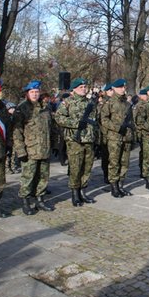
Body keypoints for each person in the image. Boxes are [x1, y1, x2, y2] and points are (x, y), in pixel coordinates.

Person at [13, 80, 55, 215]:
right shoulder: (22, 108)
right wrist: (20, 150)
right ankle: (25, 202)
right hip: (30, 150)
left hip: (44, 149)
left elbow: (51, 128)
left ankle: (40, 200)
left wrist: (53, 144)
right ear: (27, 93)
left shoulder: (46, 108)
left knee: (43, 177)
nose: (35, 94)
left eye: (37, 92)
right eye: (32, 92)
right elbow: (17, 132)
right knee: (28, 178)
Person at [55, 78, 99, 207]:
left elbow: (95, 120)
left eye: (85, 86)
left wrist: (96, 136)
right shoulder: (67, 102)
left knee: (87, 167)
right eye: (81, 87)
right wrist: (75, 124)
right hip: (75, 140)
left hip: (89, 139)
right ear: (74, 89)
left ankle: (83, 191)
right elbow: (58, 118)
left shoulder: (90, 103)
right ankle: (75, 193)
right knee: (75, 167)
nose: (84, 89)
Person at [100, 78, 135, 198]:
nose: (123, 89)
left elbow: (131, 121)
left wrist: (132, 135)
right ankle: (114, 186)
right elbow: (103, 119)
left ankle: (121, 185)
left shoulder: (127, 104)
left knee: (124, 163)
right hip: (114, 137)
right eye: (120, 87)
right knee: (114, 162)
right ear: (114, 89)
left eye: (124, 87)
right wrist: (116, 127)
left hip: (126, 137)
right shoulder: (108, 103)